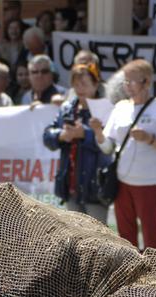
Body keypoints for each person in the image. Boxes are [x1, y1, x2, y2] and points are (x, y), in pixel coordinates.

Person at [90, 59, 156, 250]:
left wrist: (150, 139)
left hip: (150, 183)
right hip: (122, 183)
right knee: (126, 238)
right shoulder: (121, 107)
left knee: (151, 240)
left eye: (132, 81)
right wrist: (98, 132)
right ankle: (131, 276)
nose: (127, 86)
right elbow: (107, 147)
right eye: (125, 81)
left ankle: (155, 277)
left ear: (147, 82)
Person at [44, 64, 110, 222]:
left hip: (95, 186)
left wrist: (85, 134)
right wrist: (61, 135)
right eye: (76, 84)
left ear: (96, 84)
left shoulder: (105, 108)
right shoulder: (67, 108)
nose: (80, 88)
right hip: (70, 184)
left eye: (85, 84)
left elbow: (110, 145)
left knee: (98, 236)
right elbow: (47, 135)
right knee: (76, 234)